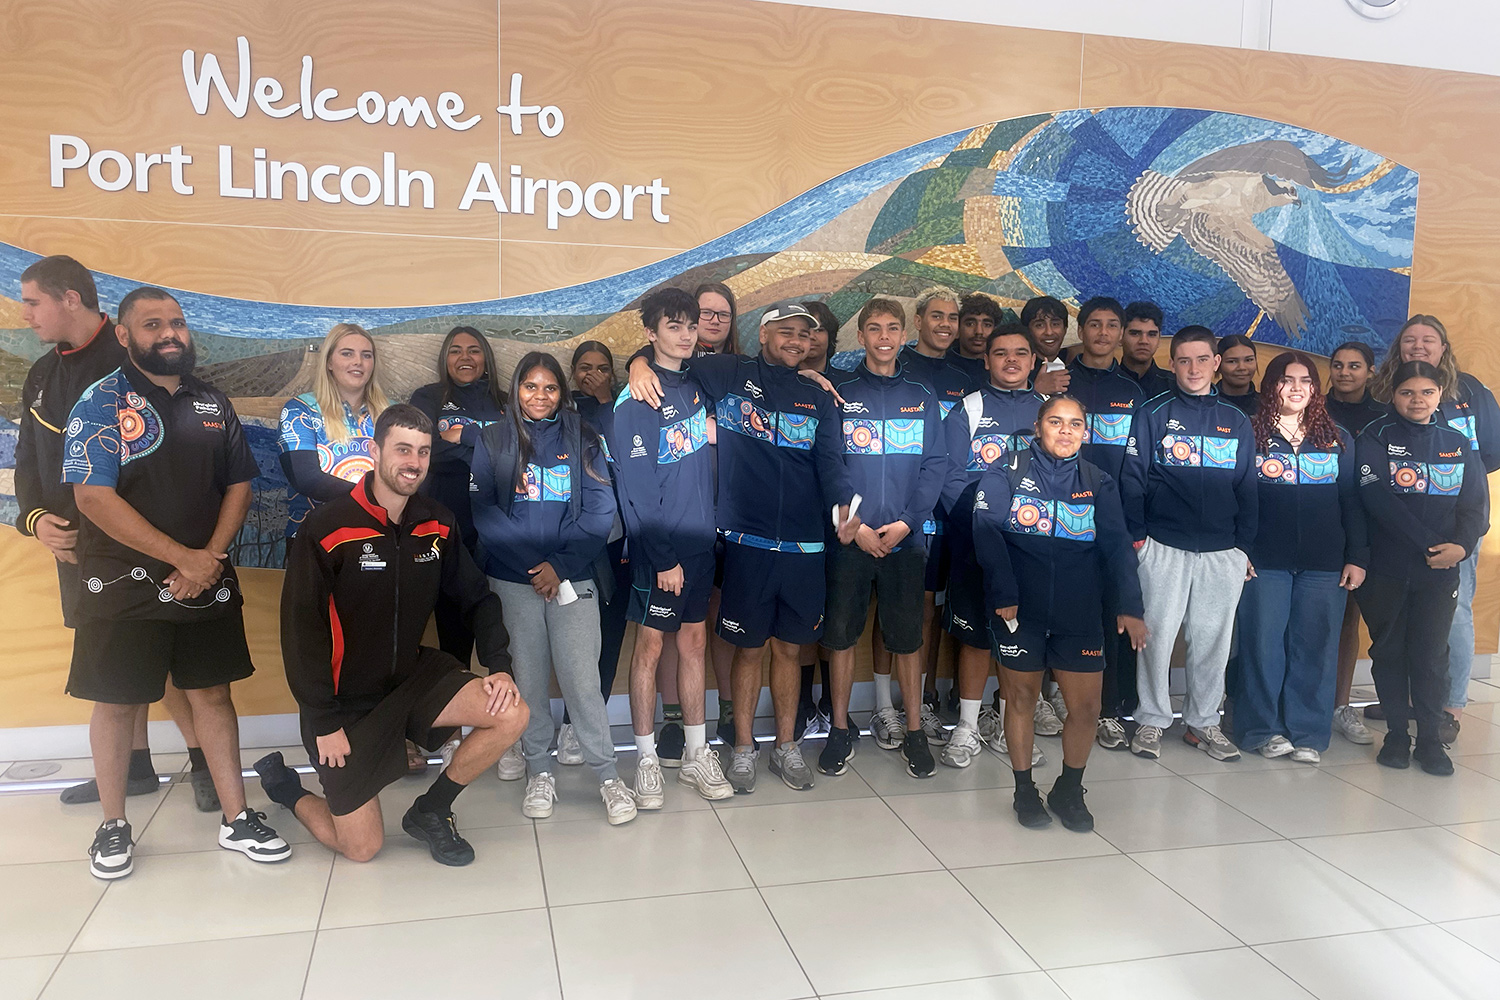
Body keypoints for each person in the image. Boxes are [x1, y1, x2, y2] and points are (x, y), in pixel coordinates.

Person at [63, 286, 289, 879]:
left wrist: (205, 558)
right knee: (118, 702)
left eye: (178, 323)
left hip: (206, 579)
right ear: (123, 335)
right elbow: (92, 496)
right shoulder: (100, 401)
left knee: (213, 695)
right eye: (153, 324)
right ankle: (113, 826)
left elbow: (239, 485)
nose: (170, 333)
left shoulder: (213, 402)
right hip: (121, 586)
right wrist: (181, 559)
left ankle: (238, 818)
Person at [257, 405, 528, 865]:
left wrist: (499, 666)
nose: (414, 463)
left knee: (511, 713)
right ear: (375, 450)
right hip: (344, 703)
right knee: (361, 848)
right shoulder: (327, 526)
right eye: (403, 449)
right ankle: (286, 789)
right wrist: (322, 721)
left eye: (423, 452)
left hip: (410, 678)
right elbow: (301, 631)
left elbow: (478, 598)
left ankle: (431, 810)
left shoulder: (437, 523)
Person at [626, 302, 859, 794]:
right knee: (749, 650)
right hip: (746, 543)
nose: (796, 341)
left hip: (805, 546)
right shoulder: (729, 373)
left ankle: (787, 746)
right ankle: (744, 749)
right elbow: (669, 354)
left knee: (790, 650)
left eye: (805, 334)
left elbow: (832, 463)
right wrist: (637, 365)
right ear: (764, 333)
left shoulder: (816, 396)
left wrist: (843, 506)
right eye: (786, 331)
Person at [16, 256, 215, 812]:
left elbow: (179, 460)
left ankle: (204, 762)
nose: (25, 314)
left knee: (163, 657)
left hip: (149, 542)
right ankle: (134, 768)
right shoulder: (42, 373)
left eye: (32, 302)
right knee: (117, 665)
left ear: (69, 299)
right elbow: (29, 459)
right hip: (77, 548)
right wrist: (37, 519)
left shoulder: (135, 362)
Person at [468, 352, 636, 823]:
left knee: (583, 680)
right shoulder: (493, 438)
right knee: (527, 679)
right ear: (516, 390)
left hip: (573, 577)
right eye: (530, 386)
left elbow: (601, 509)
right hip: (513, 580)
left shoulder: (583, 436)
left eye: (550, 388)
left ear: (562, 393)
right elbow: (485, 513)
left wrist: (558, 567)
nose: (540, 396)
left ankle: (608, 775)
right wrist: (533, 567)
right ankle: (539, 770)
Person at [974, 396, 1147, 830]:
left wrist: (1130, 605)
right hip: (1019, 612)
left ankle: (1069, 788)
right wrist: (1004, 591)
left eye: (1075, 424)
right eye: (1056, 422)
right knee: (1021, 700)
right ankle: (1024, 789)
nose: (1065, 430)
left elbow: (1117, 546)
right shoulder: (1006, 470)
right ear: (1038, 427)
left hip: (1080, 613)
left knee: (1086, 708)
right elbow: (986, 532)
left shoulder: (1099, 481)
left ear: (1085, 432)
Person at [610, 288, 733, 805]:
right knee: (650, 647)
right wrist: (663, 558)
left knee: (694, 644)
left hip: (701, 544)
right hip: (660, 552)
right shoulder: (636, 399)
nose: (685, 335)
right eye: (673, 326)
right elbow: (636, 492)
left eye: (690, 326)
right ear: (651, 332)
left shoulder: (698, 381)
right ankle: (644, 759)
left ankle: (697, 755)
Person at [1121, 325, 1257, 762]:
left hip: (1222, 551)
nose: (1193, 368)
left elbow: (1248, 488)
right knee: (1156, 637)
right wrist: (1138, 539)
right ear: (1172, 363)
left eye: (1202, 360)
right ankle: (1151, 719)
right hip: (1163, 545)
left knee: (1213, 641)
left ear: (1216, 363)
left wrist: (1242, 548)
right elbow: (1132, 480)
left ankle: (1203, 722)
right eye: (1184, 360)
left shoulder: (1237, 420)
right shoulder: (1153, 412)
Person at [823, 298, 946, 778]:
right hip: (850, 539)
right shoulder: (841, 393)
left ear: (903, 335)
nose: (884, 337)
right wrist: (854, 526)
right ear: (861, 337)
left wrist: (908, 522)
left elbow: (935, 465)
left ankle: (914, 732)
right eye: (874, 328)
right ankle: (838, 730)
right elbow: (830, 463)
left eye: (893, 328)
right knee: (841, 637)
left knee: (908, 639)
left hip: (903, 540)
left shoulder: (922, 395)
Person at [1235, 352, 1368, 763]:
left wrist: (1357, 556)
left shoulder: (1337, 437)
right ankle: (1262, 730)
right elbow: (1235, 495)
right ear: (1270, 386)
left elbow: (1352, 501)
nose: (1296, 388)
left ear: (1315, 388)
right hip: (1263, 559)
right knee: (1262, 647)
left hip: (1324, 562)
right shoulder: (1248, 432)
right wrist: (1239, 549)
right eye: (1286, 379)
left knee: (1315, 648)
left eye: (1305, 380)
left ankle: (1308, 732)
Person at [1371, 317, 1499, 743]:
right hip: (1398, 531)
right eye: (1410, 340)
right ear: (1399, 347)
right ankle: (1409, 701)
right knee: (1407, 619)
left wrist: (1452, 495)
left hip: (1455, 529)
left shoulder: (1471, 391)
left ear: (1444, 347)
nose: (1419, 346)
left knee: (1453, 615)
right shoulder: (1382, 390)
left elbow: (1489, 454)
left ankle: (1449, 707)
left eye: (1429, 340)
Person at [1357, 361, 1486, 775]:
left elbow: (1475, 506)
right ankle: (1397, 735)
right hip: (1387, 568)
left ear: (1439, 395)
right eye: (1407, 392)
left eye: (1426, 392)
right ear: (1393, 395)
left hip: (1441, 571)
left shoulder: (1457, 442)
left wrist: (1461, 547)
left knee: (1431, 656)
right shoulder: (1375, 436)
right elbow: (1377, 498)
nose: (1417, 400)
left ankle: (1430, 740)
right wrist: (1430, 544)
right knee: (1389, 652)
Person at [938, 324, 1046, 769]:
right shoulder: (969, 408)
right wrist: (983, 529)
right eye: (1001, 353)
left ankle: (1007, 726)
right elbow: (949, 479)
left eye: (1021, 353)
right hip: (977, 543)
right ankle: (966, 726)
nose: (1011, 360)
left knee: (1019, 638)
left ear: (1034, 361)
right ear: (986, 361)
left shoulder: (1050, 410)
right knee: (976, 638)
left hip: (1032, 550)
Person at [1065, 297, 1146, 750]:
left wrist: (1133, 526)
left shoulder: (1132, 392)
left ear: (1120, 333)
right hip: (1060, 518)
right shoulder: (1060, 381)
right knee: (1062, 612)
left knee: (1112, 615)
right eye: (1093, 324)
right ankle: (1054, 701)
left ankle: (1110, 710)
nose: (1102, 333)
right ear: (1081, 330)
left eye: (1111, 325)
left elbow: (1137, 467)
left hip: (1112, 523)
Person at [408, 326, 509, 667]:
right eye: (455, 350)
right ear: (444, 358)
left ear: (486, 358)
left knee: (502, 627)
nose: (465, 357)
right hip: (447, 529)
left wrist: (463, 436)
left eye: (474, 350)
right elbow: (424, 452)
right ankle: (456, 698)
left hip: (499, 531)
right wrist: (484, 453)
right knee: (454, 638)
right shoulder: (428, 397)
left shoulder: (506, 402)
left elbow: (519, 452)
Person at [896, 287, 973, 716]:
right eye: (937, 316)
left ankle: (928, 694)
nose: (945, 325)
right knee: (913, 609)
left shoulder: (966, 377)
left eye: (952, 318)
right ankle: (897, 703)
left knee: (943, 607)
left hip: (953, 513)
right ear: (919, 320)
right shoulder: (898, 365)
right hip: (907, 510)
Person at [561, 342, 631, 770]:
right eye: (585, 368)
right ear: (572, 372)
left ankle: (583, 724)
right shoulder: (560, 409)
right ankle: (569, 721)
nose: (593, 375)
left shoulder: (622, 407)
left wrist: (606, 400)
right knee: (576, 640)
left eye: (603, 368)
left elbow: (624, 457)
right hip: (570, 540)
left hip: (617, 539)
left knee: (610, 636)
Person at [1325, 341, 1386, 745]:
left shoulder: (1384, 417)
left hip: (1374, 529)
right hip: (1325, 525)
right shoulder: (1313, 410)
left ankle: (1341, 705)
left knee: (1351, 618)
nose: (1345, 372)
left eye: (1354, 366)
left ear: (1370, 371)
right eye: (1338, 365)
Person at [279, 323, 389, 540]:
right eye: (347, 353)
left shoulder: (393, 413)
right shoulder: (300, 411)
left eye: (366, 355)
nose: (358, 361)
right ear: (329, 362)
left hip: (381, 534)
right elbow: (306, 478)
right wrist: (376, 499)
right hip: (316, 537)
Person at [1120, 302, 1176, 400]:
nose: (1144, 341)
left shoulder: (1176, 386)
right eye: (1135, 333)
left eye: (1152, 334)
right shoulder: (1104, 383)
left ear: (1159, 339)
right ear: (1120, 337)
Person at [1022, 296, 1071, 396]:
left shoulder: (1073, 366)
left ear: (1065, 329)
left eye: (1055, 324)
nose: (1049, 332)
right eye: (1039, 325)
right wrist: (1036, 390)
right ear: (1027, 331)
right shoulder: (1018, 370)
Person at [945, 293, 985, 387]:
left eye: (987, 325)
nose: (979, 331)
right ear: (957, 329)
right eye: (970, 324)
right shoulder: (941, 365)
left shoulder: (1003, 369)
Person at [1216, 334, 1260, 416]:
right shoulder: (1205, 405)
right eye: (1232, 361)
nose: (1242, 367)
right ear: (1217, 364)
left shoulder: (1267, 405)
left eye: (1248, 360)